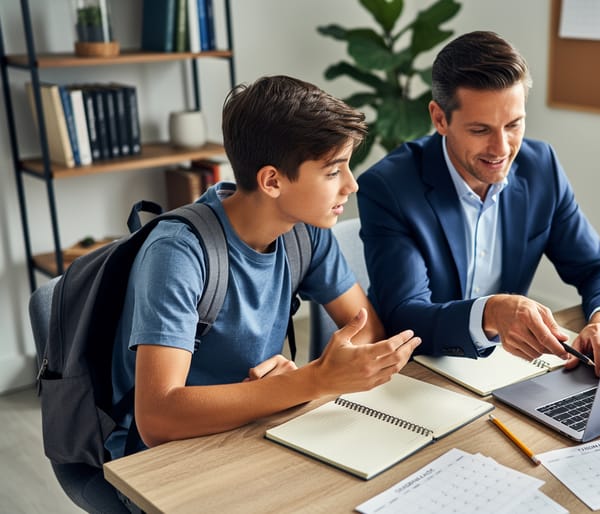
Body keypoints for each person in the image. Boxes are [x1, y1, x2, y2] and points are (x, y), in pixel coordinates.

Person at [107, 75, 421, 462]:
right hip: (164, 457)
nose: (351, 186)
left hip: (257, 428)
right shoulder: (179, 253)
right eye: (333, 171)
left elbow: (367, 328)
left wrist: (313, 377)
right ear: (272, 181)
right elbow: (157, 419)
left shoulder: (304, 231)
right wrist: (311, 380)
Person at [357, 31, 600, 376]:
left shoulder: (540, 167)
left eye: (514, 125)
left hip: (503, 369)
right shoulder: (389, 187)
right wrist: (489, 313)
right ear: (440, 118)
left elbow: (597, 267)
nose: (501, 148)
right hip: (416, 373)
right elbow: (404, 314)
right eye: (480, 130)